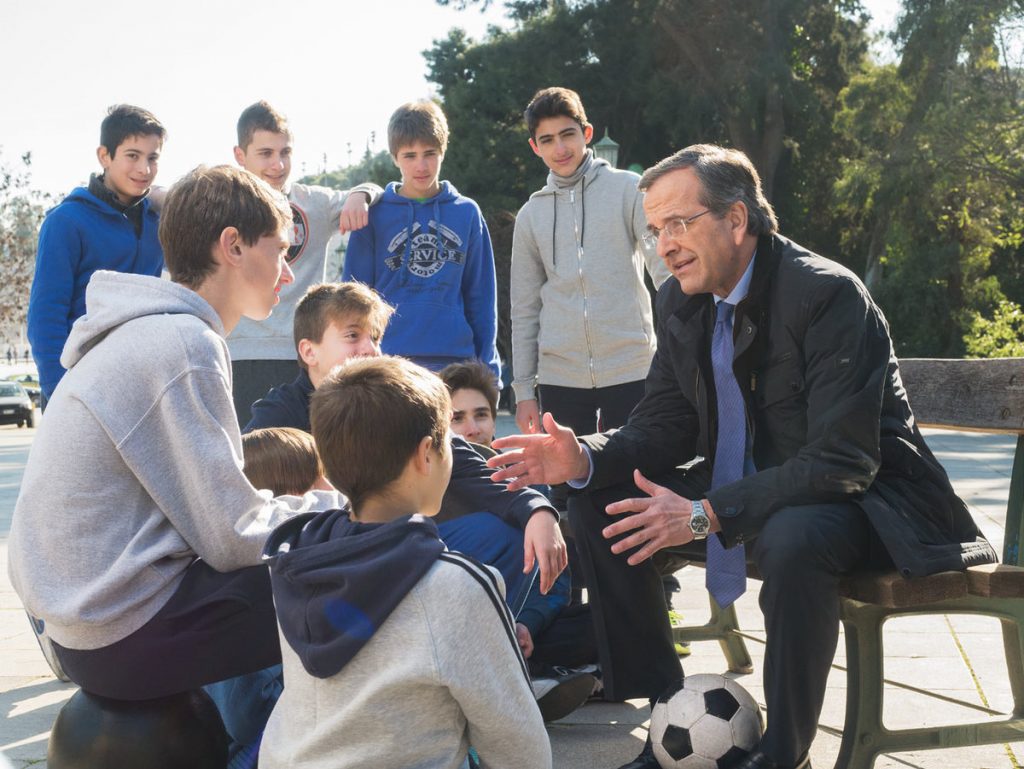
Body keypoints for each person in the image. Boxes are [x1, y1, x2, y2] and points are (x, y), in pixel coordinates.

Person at [488, 144, 998, 769]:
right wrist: (584, 458)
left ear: (736, 220)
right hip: (756, 495)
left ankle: (783, 754)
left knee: (795, 534)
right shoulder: (680, 301)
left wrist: (704, 512)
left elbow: (843, 462)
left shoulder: (828, 295)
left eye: (679, 223)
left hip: (874, 506)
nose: (665, 244)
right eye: (655, 230)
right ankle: (670, 719)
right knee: (600, 502)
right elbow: (664, 424)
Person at [8, 165, 337, 703]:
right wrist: (337, 507)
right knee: (359, 574)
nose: (286, 273)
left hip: (80, 624)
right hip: (118, 631)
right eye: (279, 250)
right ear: (232, 246)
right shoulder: (185, 344)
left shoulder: (149, 330)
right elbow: (234, 536)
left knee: (323, 558)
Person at [259, 356, 551, 769]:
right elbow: (518, 747)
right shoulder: (455, 584)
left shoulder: (294, 562)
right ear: (426, 454)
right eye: (451, 440)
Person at [510, 87, 668, 442]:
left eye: (568, 134)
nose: (560, 148)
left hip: (633, 369)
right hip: (559, 378)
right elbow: (524, 309)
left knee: (634, 480)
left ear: (587, 133)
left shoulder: (629, 190)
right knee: (568, 492)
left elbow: (666, 273)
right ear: (535, 147)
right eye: (547, 140)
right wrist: (523, 392)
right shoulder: (531, 215)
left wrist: (681, 358)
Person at [230, 100, 383, 425]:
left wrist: (361, 195)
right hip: (239, 351)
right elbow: (165, 197)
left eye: (285, 152)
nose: (277, 163)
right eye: (266, 153)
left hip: (300, 352)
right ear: (240, 156)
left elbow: (372, 188)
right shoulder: (222, 200)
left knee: (307, 454)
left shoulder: (312, 202)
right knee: (248, 454)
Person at [343, 100, 500, 379]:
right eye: (409, 155)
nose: (421, 165)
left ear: (443, 151)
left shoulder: (466, 213)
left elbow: (482, 300)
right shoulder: (374, 215)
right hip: (388, 361)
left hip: (455, 363)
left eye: (430, 153)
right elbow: (353, 300)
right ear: (394, 157)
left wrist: (488, 369)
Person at [27, 104, 166, 405]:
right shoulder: (65, 222)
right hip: (80, 385)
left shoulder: (160, 222)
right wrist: (59, 393)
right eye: (132, 155)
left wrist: (170, 201)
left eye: (152, 158)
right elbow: (45, 318)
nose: (144, 169)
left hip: (142, 386)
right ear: (105, 156)